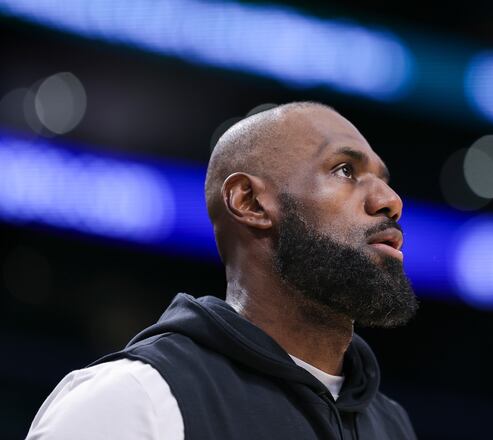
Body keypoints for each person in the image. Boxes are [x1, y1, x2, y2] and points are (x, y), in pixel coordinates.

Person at [26, 101, 420, 439]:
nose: (391, 200)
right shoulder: (133, 400)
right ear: (249, 202)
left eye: (384, 180)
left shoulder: (392, 425)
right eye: (345, 171)